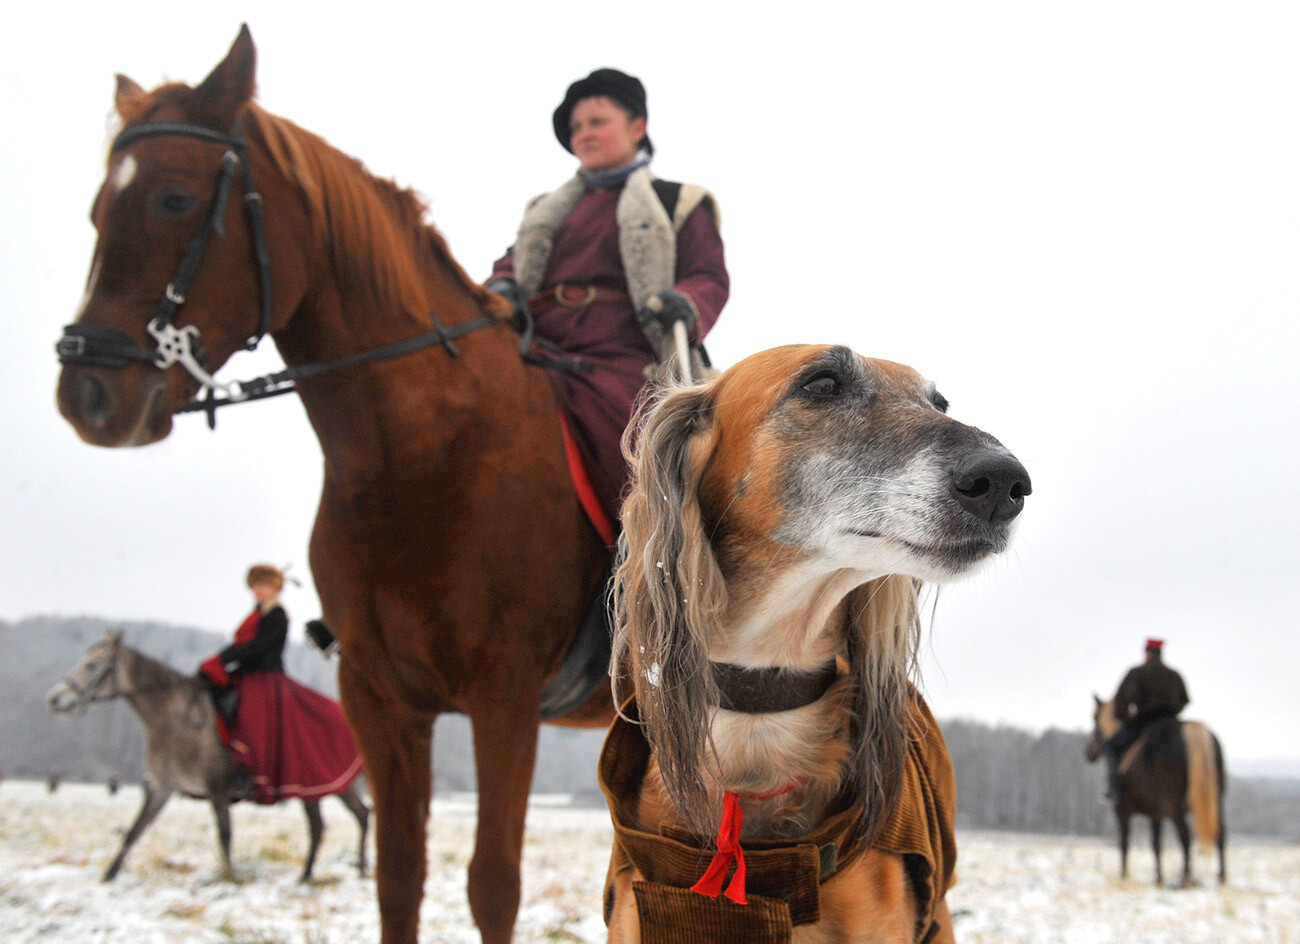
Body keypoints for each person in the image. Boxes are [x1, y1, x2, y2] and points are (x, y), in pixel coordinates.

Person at [486, 67, 729, 526]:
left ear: (637, 127)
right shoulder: (545, 211)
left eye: (597, 121)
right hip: (535, 346)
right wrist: (502, 286)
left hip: (622, 353)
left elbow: (708, 274)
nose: (583, 134)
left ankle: (638, 551)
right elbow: (512, 263)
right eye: (577, 127)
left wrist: (686, 300)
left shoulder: (676, 200)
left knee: (638, 443)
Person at [199, 564, 362, 804]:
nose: (258, 591)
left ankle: (251, 773)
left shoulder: (277, 615)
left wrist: (223, 660)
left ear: (275, 588)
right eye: (255, 586)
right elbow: (241, 643)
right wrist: (217, 661)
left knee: (249, 719)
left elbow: (260, 646)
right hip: (246, 676)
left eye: (263, 586)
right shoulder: (257, 614)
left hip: (266, 679)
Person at [1103, 638, 1190, 800]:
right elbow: (1185, 701)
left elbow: (1120, 704)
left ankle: (1114, 788)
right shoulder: (1174, 675)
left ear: (1147, 653)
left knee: (1110, 745)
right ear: (1160, 654)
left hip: (1143, 722)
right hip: (1171, 722)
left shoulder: (1137, 673)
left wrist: (1127, 718)